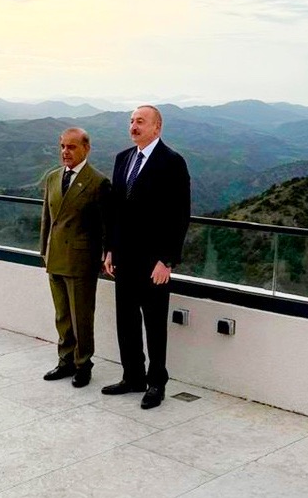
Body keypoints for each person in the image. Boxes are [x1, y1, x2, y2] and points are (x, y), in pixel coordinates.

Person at [102, 105, 190, 409]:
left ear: (157, 127)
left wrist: (167, 260)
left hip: (154, 262)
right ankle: (133, 377)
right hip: (124, 258)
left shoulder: (172, 162)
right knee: (125, 321)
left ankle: (156, 384)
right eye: (131, 121)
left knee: (154, 324)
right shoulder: (123, 158)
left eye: (140, 121)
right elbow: (115, 210)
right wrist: (110, 249)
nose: (133, 126)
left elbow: (179, 214)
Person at [40, 127, 111, 388]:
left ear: (86, 149)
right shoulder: (52, 178)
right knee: (62, 315)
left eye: (71, 147)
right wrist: (44, 250)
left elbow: (106, 226)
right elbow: (47, 219)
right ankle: (65, 360)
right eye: (62, 146)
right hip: (56, 256)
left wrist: (106, 255)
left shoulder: (98, 182)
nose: (65, 152)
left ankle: (83, 364)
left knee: (81, 316)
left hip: (81, 260)